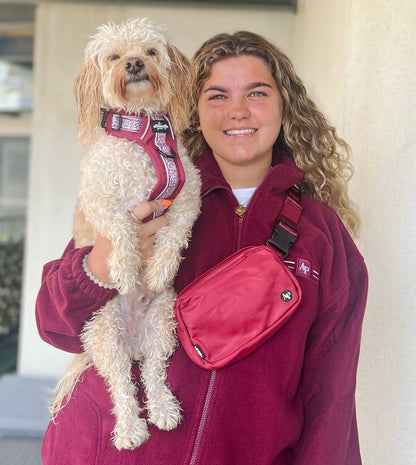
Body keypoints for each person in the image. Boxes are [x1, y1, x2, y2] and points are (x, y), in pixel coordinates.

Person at [36, 31, 368, 465]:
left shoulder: (321, 235)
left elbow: (331, 395)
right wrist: (106, 255)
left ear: (285, 106)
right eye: (216, 95)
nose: (237, 111)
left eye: (257, 92)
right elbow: (55, 324)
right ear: (191, 109)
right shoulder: (149, 194)